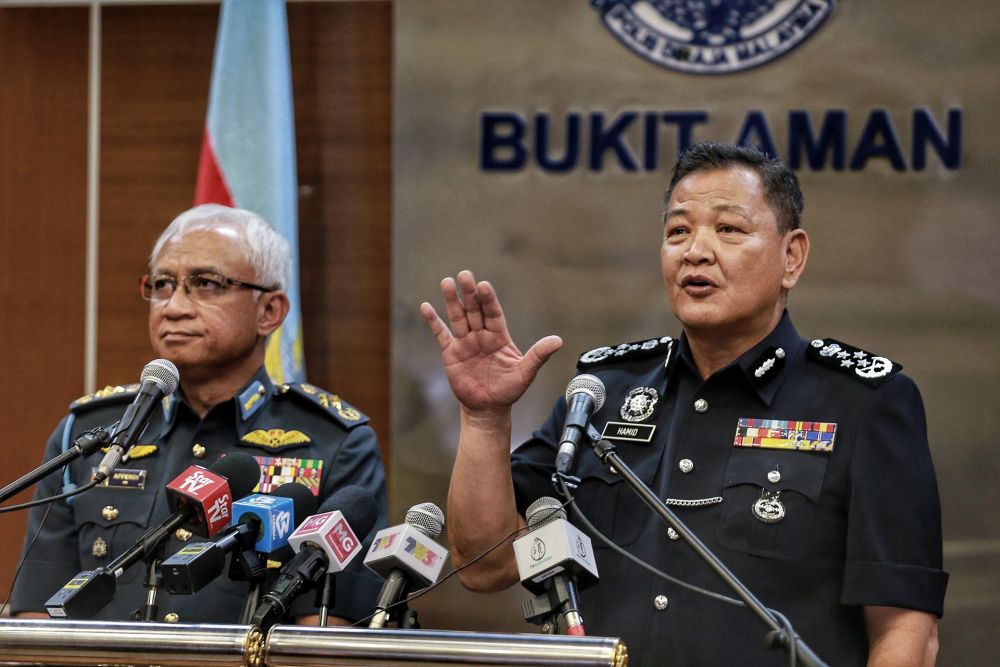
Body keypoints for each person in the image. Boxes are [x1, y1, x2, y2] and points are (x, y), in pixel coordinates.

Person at [421, 142, 947, 665]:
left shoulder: (862, 402)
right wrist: (486, 418)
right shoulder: (603, 395)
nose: (696, 251)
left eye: (729, 229)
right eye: (678, 232)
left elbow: (905, 630)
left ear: (792, 257)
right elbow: (484, 566)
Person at [10, 204, 388, 624]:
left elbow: (327, 631)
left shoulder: (335, 442)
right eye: (162, 284)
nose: (173, 307)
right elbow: (37, 614)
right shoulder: (89, 436)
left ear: (270, 311)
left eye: (205, 284)